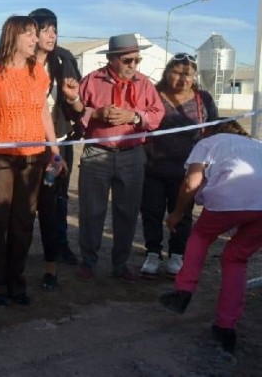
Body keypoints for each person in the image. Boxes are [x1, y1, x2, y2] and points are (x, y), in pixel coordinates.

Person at [0, 15, 64, 307]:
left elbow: (43, 112)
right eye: (30, 34)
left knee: (24, 221)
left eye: (36, 34)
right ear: (13, 36)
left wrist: (55, 151)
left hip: (32, 158)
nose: (36, 40)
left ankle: (16, 281)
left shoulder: (38, 73)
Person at [66, 34, 164, 283]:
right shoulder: (92, 80)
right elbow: (75, 111)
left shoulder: (145, 84)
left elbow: (157, 113)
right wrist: (96, 113)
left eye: (137, 60)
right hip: (97, 153)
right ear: (112, 59)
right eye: (127, 60)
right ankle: (88, 261)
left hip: (132, 156)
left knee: (127, 212)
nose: (133, 65)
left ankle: (120, 264)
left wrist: (134, 117)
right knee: (91, 211)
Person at [159, 121, 262, 354]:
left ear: (209, 131)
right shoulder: (257, 144)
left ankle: (183, 290)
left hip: (228, 198)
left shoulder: (207, 143)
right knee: (236, 259)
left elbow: (191, 182)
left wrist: (177, 213)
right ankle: (227, 326)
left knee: (201, 236)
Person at [140, 53, 218, 277]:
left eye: (188, 74)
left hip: (187, 171)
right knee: (151, 213)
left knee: (182, 214)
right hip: (152, 168)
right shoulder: (153, 95)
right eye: (177, 73)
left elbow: (213, 130)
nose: (183, 79)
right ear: (166, 73)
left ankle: (177, 255)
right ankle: (152, 254)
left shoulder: (203, 99)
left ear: (195, 77)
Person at [28, 8, 82, 292]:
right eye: (45, 29)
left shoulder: (64, 60)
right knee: (25, 203)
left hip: (57, 142)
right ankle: (18, 253)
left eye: (54, 30)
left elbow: (78, 110)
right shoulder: (19, 60)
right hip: (25, 145)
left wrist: (73, 99)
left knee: (56, 201)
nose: (51, 35)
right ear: (31, 32)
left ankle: (58, 248)